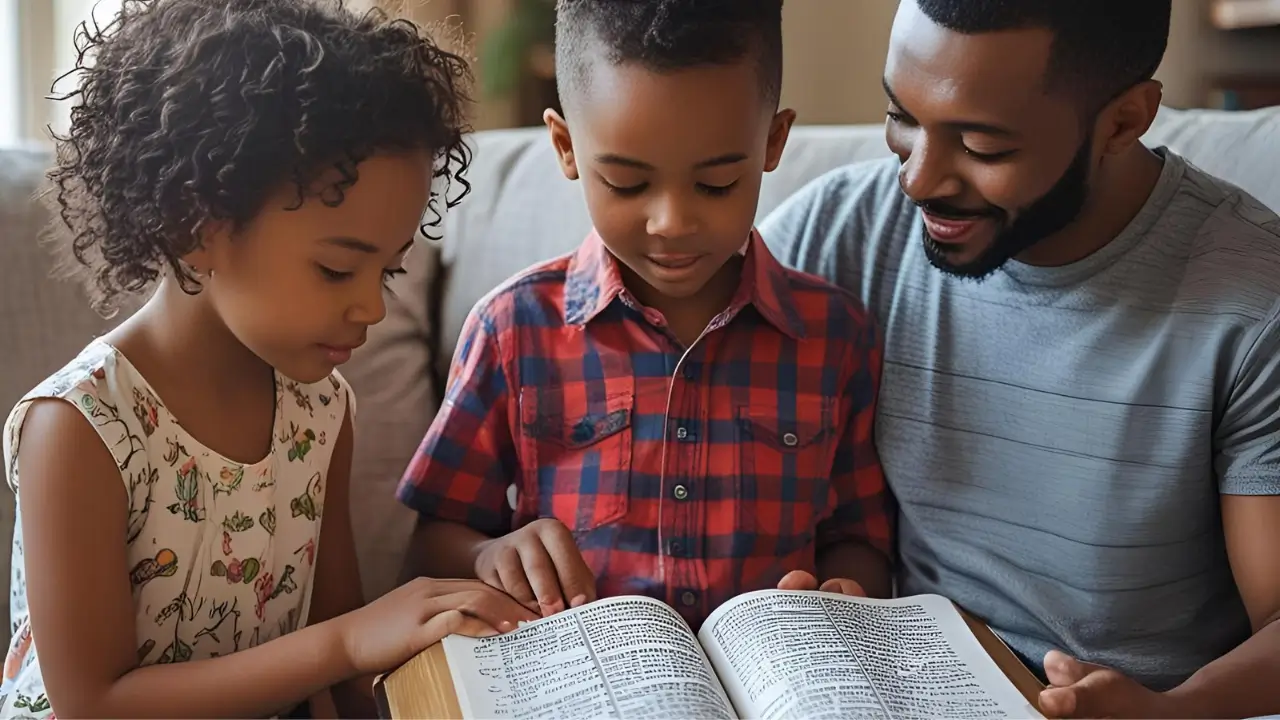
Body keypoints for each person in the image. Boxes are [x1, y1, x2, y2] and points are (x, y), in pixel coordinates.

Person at [0, 1, 539, 718]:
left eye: (388, 272)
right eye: (337, 269)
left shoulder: (319, 411)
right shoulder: (80, 429)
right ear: (195, 225)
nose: (373, 309)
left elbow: (341, 671)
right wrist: (348, 643)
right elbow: (95, 704)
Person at [760, 0, 1280, 717]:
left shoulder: (1255, 305)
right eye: (901, 118)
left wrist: (1174, 710)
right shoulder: (841, 232)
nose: (918, 180)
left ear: (1124, 121)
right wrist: (542, 518)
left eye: (982, 147)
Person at [396, 0, 893, 632]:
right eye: (628, 185)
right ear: (566, 146)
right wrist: (489, 554)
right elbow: (431, 544)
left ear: (772, 142)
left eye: (715, 185)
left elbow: (861, 538)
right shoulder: (511, 329)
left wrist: (846, 593)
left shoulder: (837, 336)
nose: (672, 223)